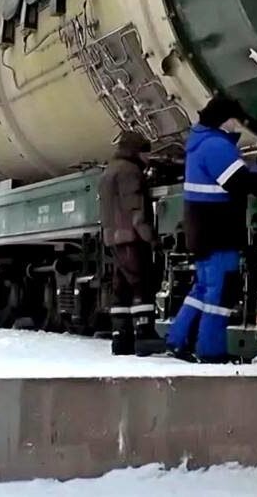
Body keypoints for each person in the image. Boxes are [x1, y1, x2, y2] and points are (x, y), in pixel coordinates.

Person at [166, 95, 257, 362]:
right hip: (218, 232)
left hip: (203, 231)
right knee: (220, 292)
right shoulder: (216, 146)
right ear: (225, 120)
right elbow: (243, 184)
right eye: (235, 119)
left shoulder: (200, 142)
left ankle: (178, 340)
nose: (237, 125)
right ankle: (211, 351)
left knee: (203, 289)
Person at [99, 130, 165, 355]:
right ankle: (144, 334)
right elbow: (136, 211)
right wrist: (152, 239)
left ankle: (121, 337)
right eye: (146, 153)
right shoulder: (130, 172)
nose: (148, 158)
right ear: (137, 151)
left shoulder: (109, 170)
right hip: (131, 238)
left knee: (121, 288)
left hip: (113, 238)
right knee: (141, 284)